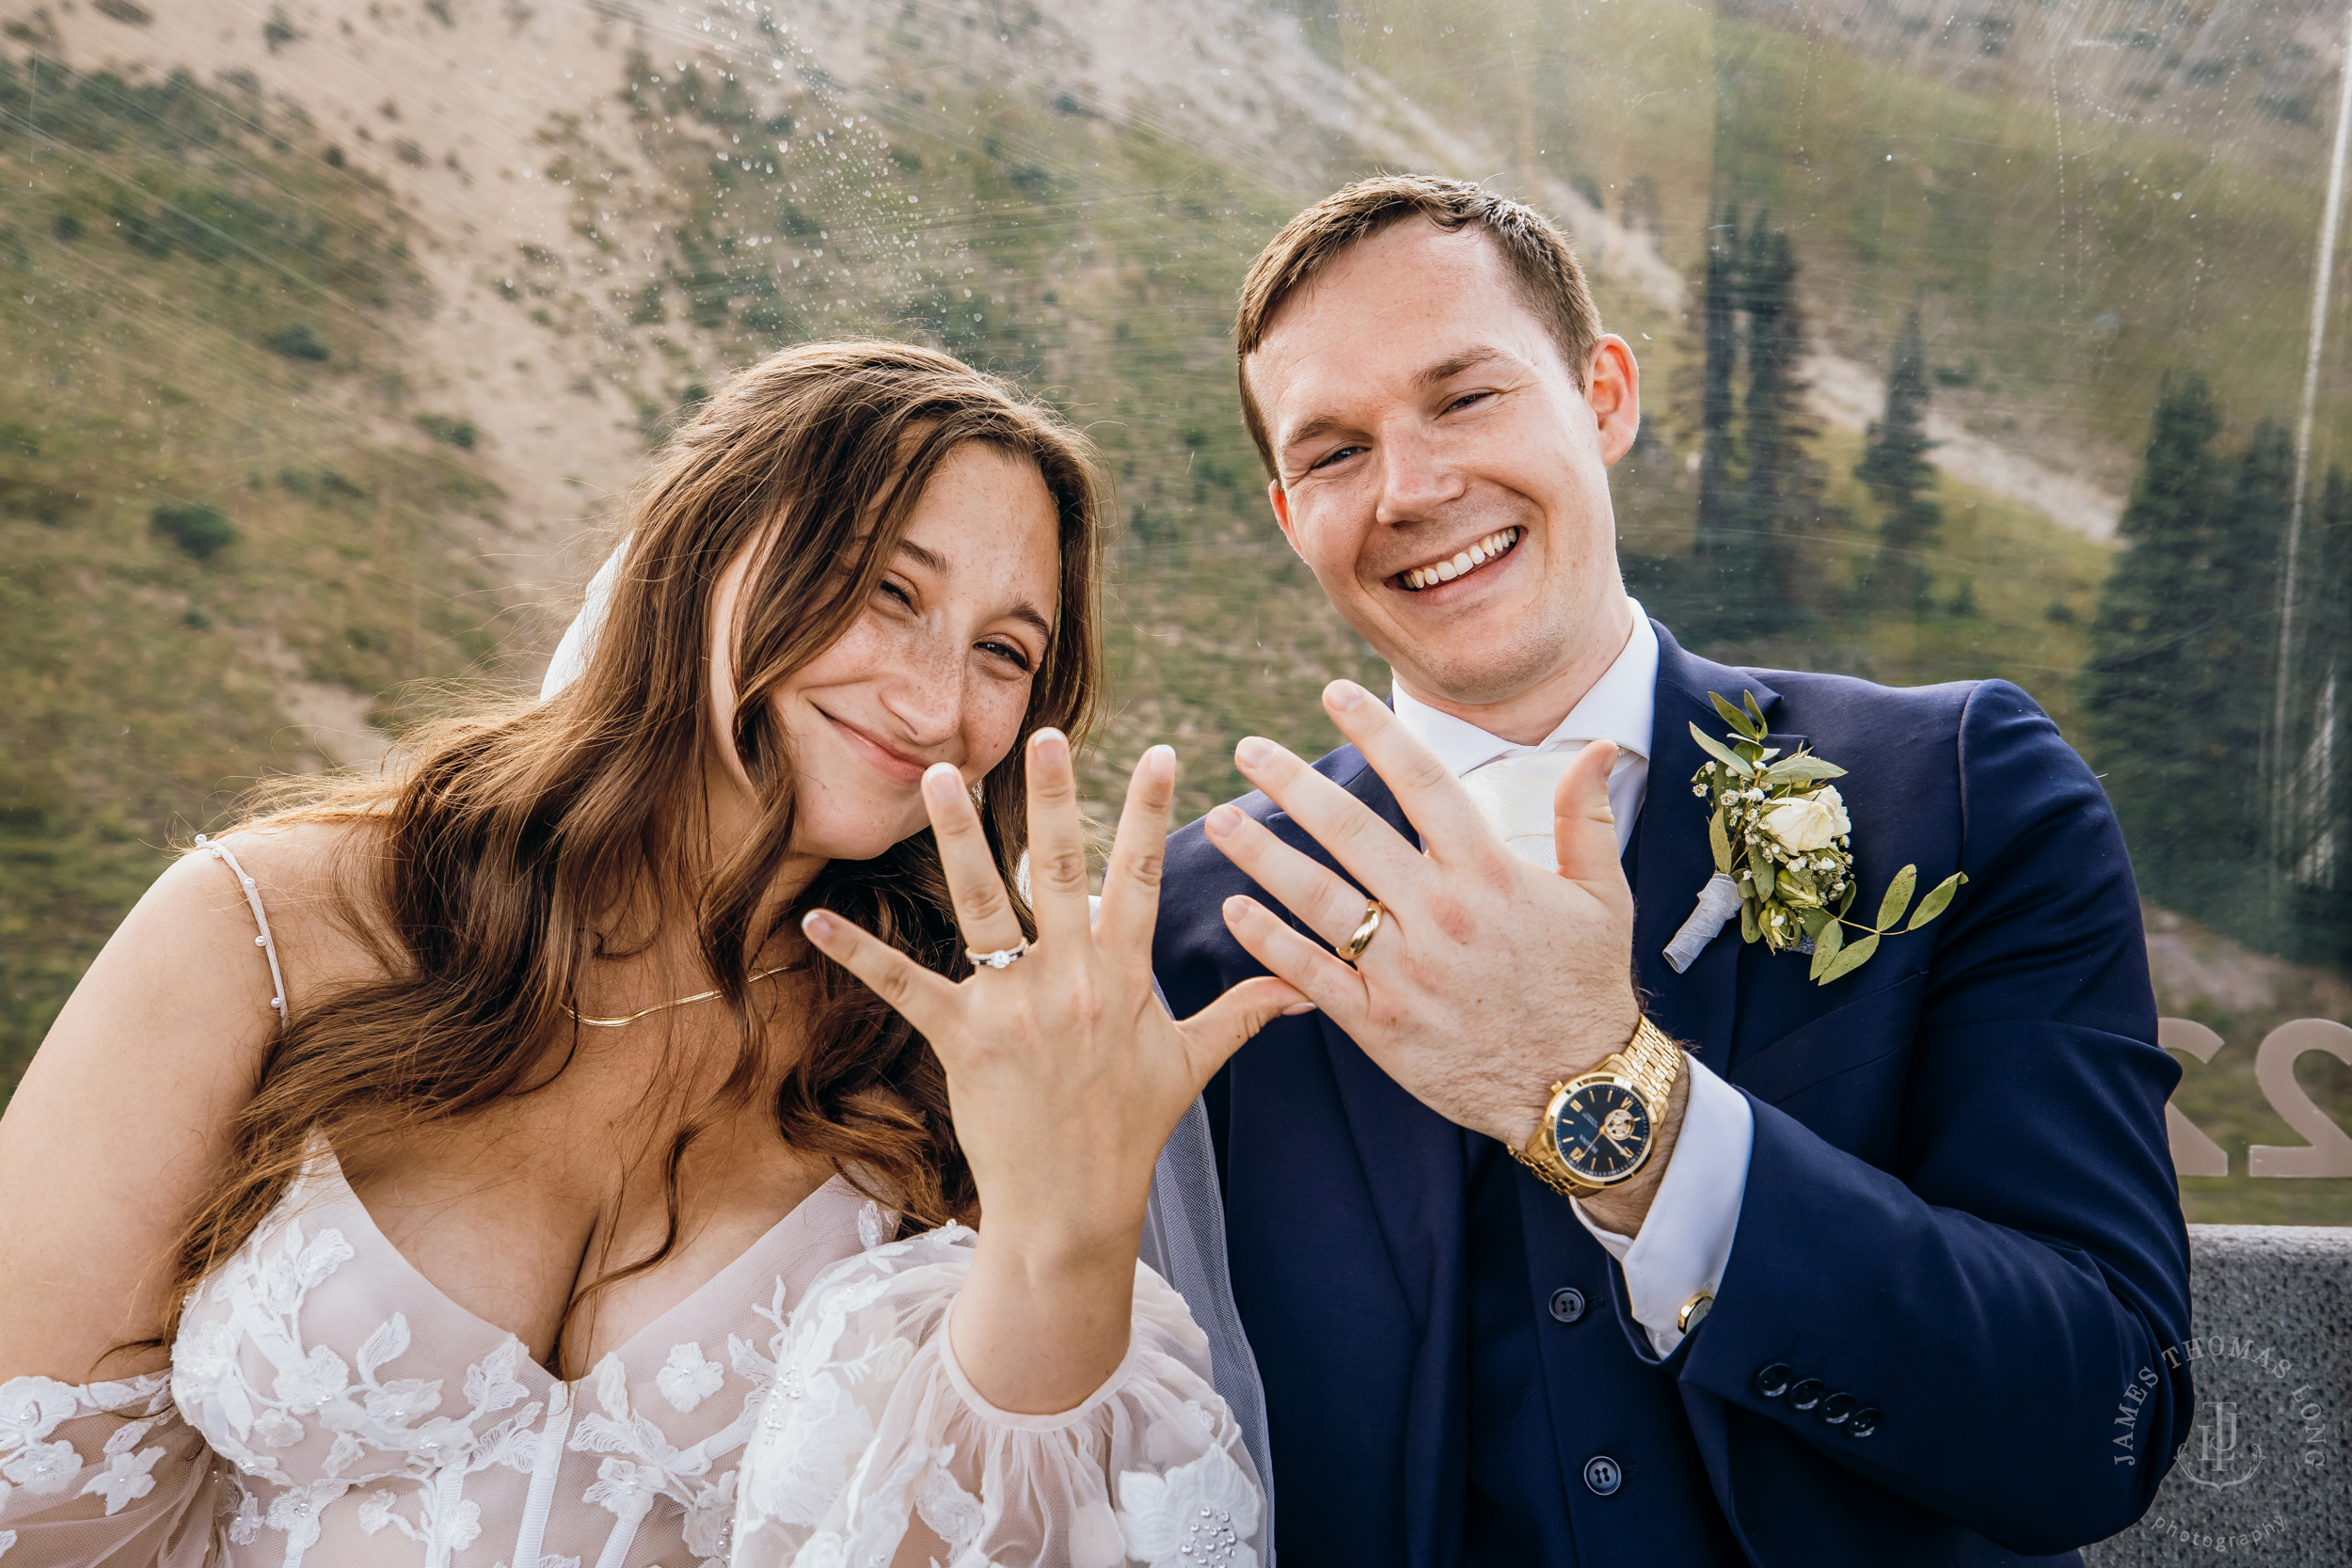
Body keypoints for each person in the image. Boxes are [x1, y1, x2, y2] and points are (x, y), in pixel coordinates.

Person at [0, 341, 1280, 1568]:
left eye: (1006, 653)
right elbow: (37, 1508)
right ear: (698, 555)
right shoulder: (264, 930)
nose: (940, 702)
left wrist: (1060, 1236)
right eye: (891, 591)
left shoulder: (960, 1057)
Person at [1148, 176, 2195, 1565]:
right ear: (1291, 513)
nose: (1411, 488)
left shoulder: (1958, 790)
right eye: (1335, 451)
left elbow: (2097, 1420)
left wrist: (1611, 1097)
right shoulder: (1197, 928)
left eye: (1465, 398)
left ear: (1604, 397)